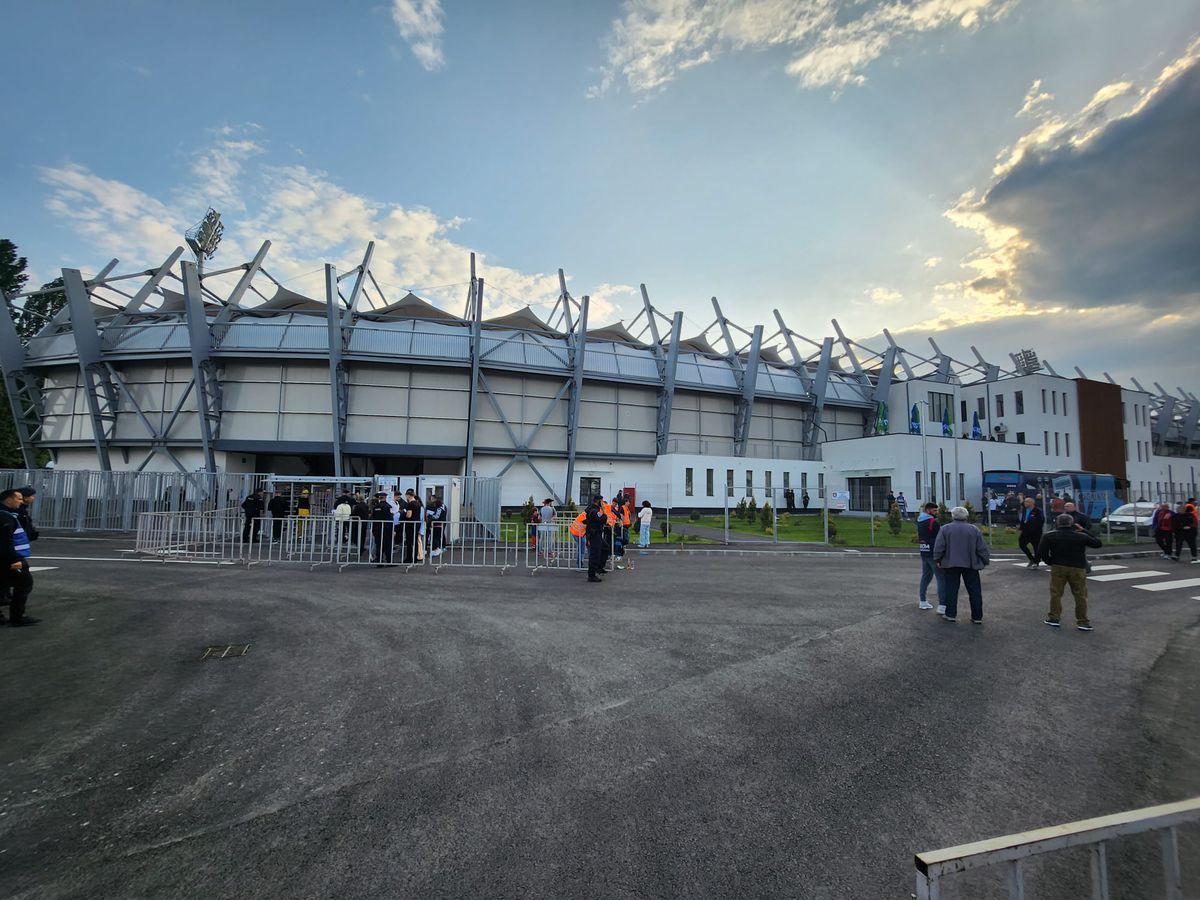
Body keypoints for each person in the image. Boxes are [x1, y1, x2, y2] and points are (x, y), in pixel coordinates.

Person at [1039, 513, 1103, 631]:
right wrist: (1084, 530)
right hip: (1077, 567)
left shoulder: (1049, 536)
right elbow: (1097, 544)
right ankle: (1083, 621)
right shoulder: (1081, 536)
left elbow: (1042, 552)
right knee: (1080, 595)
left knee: (1056, 594)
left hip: (1058, 566)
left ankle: (1054, 618)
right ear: (1072, 523)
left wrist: (1050, 561)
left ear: (1057, 523)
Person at [932, 506, 990, 624]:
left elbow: (939, 547)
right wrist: (985, 560)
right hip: (970, 564)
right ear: (966, 516)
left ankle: (950, 614)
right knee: (974, 590)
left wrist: (937, 559)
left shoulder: (945, 529)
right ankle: (977, 616)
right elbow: (982, 548)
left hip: (950, 564)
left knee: (951, 590)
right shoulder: (974, 529)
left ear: (953, 516)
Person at [0, 489, 37, 627]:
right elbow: (5, 541)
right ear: (9, 500)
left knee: (3, 585)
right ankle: (17, 617)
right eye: (19, 499)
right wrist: (14, 560)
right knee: (24, 583)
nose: (21, 502)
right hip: (10, 558)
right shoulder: (5, 517)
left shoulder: (8, 515)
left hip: (8, 557)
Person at [915, 502, 943, 612]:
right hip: (934, 552)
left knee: (926, 576)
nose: (936, 513)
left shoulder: (919, 521)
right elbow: (940, 536)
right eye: (934, 510)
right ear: (928, 510)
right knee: (941, 578)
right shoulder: (932, 521)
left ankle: (922, 601)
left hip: (924, 550)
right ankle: (942, 605)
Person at [585, 496, 608, 583]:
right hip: (594, 534)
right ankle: (591, 575)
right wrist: (605, 511)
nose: (603, 503)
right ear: (598, 501)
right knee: (595, 554)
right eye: (601, 501)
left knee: (605, 548)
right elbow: (603, 520)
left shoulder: (593, 509)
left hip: (596, 533)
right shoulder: (594, 511)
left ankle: (599, 567)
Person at [1018, 497, 1045, 568]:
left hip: (1035, 532)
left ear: (1032, 503)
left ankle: (1036, 561)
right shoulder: (1024, 510)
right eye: (1025, 502)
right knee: (1022, 544)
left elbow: (1041, 521)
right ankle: (1031, 558)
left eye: (1027, 502)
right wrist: (1021, 528)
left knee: (1036, 547)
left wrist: (1034, 529)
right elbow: (1023, 520)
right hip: (1025, 532)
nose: (1025, 503)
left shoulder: (1037, 511)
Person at [369, 492, 394, 566]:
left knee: (379, 545)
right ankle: (389, 561)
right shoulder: (388, 506)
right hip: (386, 529)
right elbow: (390, 519)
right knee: (388, 545)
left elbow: (372, 518)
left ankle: (379, 562)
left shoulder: (376, 507)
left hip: (377, 529)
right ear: (385, 497)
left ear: (379, 498)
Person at [426, 494, 447, 558]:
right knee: (440, 535)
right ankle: (441, 547)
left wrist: (429, 516)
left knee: (435, 537)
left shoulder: (439, 508)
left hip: (437, 524)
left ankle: (437, 549)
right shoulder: (443, 506)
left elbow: (436, 516)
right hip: (441, 523)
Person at [537, 498, 555, 563]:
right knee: (550, 538)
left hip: (543, 523)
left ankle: (540, 551)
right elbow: (555, 516)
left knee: (541, 538)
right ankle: (550, 551)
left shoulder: (542, 509)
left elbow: (539, 517)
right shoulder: (552, 508)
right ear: (549, 502)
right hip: (550, 523)